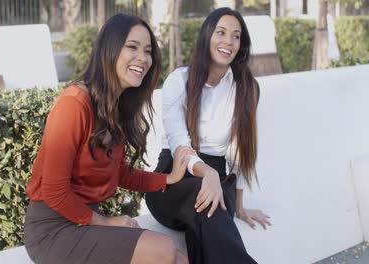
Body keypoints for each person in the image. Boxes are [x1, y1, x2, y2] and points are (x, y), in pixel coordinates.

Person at [24, 14, 193, 264]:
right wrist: (104, 222)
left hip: (85, 221)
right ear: (110, 49)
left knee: (179, 259)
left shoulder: (113, 107)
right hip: (53, 229)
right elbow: (54, 191)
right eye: (132, 47)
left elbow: (120, 173)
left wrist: (168, 179)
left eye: (148, 51)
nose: (143, 58)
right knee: (163, 250)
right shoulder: (74, 104)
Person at [145, 7, 272, 264]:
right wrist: (208, 174)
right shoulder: (178, 81)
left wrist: (238, 205)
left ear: (241, 44)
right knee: (204, 200)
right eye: (221, 32)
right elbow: (180, 144)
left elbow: (239, 151)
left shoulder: (246, 88)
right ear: (207, 36)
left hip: (217, 180)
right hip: (171, 178)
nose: (228, 41)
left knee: (207, 217)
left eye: (236, 36)